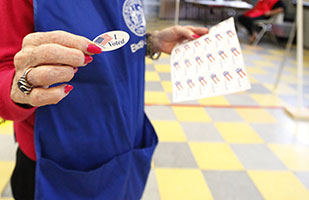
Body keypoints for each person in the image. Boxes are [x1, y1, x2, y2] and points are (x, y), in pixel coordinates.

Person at [0, 0, 208, 199]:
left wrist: (149, 42)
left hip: (127, 149)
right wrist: (21, 86)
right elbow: (5, 73)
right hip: (59, 167)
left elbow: (110, 37)